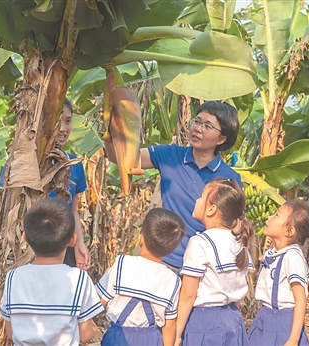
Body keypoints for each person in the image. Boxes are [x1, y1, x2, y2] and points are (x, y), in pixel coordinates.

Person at [104, 101, 242, 273]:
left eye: (207, 126)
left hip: (199, 267)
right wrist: (109, 129)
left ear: (222, 139)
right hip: (161, 260)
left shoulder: (229, 179)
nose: (198, 128)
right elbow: (122, 158)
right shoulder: (170, 155)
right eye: (197, 121)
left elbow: (230, 228)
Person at [0, 98, 91, 270]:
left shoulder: (74, 164)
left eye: (68, 121)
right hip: (27, 244)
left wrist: (79, 244)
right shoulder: (20, 162)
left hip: (63, 245)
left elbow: (73, 211)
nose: (63, 128)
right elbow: (4, 211)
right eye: (57, 121)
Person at [0, 198, 104, 345]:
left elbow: (10, 332)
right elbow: (85, 335)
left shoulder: (13, 278)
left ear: (25, 238)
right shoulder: (79, 279)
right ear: (72, 240)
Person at [174, 178, 254, 346]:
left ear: (211, 209)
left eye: (202, 197)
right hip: (233, 318)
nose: (197, 200)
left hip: (204, 322)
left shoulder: (200, 242)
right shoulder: (239, 241)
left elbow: (188, 294)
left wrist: (177, 332)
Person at [95, 208, 186, 346]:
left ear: (140, 238)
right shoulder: (172, 280)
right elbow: (169, 326)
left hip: (118, 338)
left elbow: (97, 302)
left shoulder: (121, 264)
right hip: (151, 340)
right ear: (172, 248)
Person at [247, 200, 309, 346]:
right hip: (265, 318)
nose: (269, 218)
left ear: (289, 231)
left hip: (284, 324)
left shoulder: (292, 257)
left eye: (276, 215)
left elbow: (300, 300)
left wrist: (293, 339)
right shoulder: (272, 254)